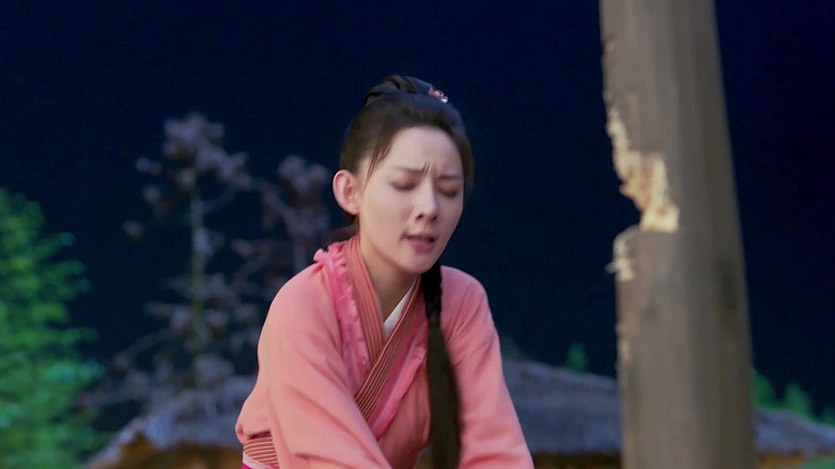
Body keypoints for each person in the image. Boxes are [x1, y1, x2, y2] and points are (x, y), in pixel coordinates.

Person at [235, 75, 533, 469]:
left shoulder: (462, 301)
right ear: (350, 192)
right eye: (405, 184)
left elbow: (497, 453)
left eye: (448, 191)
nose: (430, 208)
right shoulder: (303, 305)